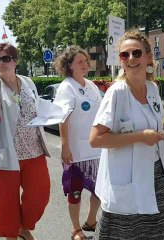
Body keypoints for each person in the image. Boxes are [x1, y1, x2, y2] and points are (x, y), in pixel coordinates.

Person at [89, 30, 164, 240]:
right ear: (121, 61)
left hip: (158, 174)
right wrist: (140, 136)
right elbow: (95, 139)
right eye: (125, 55)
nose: (131, 59)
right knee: (127, 234)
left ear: (149, 57)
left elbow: (154, 129)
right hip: (127, 179)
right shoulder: (117, 93)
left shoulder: (152, 88)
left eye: (136, 53)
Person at [0, 43, 50, 240]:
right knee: (4, 204)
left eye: (6, 58)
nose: (2, 63)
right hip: (2, 154)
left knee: (39, 197)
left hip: (33, 150)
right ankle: (12, 235)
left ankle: (24, 227)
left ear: (16, 61)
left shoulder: (28, 82)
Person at [53, 45, 103, 240]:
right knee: (75, 192)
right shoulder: (67, 87)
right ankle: (76, 229)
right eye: (79, 61)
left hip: (96, 149)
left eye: (85, 61)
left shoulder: (91, 86)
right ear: (69, 66)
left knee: (99, 190)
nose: (84, 64)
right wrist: (65, 146)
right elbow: (62, 119)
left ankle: (91, 221)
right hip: (75, 152)